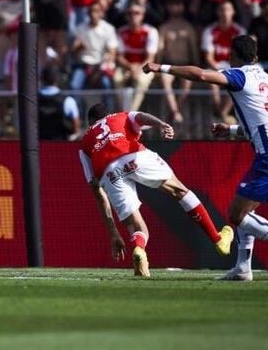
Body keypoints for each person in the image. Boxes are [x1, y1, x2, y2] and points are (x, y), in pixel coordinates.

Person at [143, 35, 268, 281]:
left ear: (234, 56)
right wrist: (230, 130)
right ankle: (243, 268)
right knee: (244, 213)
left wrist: (162, 67)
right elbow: (262, 122)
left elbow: (200, 75)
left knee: (236, 215)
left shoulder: (240, 76)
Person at [79, 103, 234, 278]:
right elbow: (142, 116)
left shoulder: (85, 141)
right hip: (134, 155)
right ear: (109, 113)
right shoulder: (121, 115)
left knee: (137, 226)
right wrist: (161, 124)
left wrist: (113, 233)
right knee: (180, 191)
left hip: (109, 170)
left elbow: (96, 189)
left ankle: (139, 249)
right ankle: (217, 239)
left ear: (90, 123)